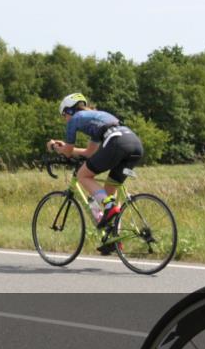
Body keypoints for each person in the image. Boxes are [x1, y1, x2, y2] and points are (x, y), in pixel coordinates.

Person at [45, 93, 144, 253]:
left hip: (116, 142)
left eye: (64, 116)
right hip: (134, 143)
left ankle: (109, 206)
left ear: (69, 111)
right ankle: (115, 239)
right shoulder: (97, 118)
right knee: (108, 190)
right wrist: (66, 148)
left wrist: (55, 147)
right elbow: (89, 152)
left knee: (83, 175)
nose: (65, 120)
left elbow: (68, 153)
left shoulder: (75, 119)